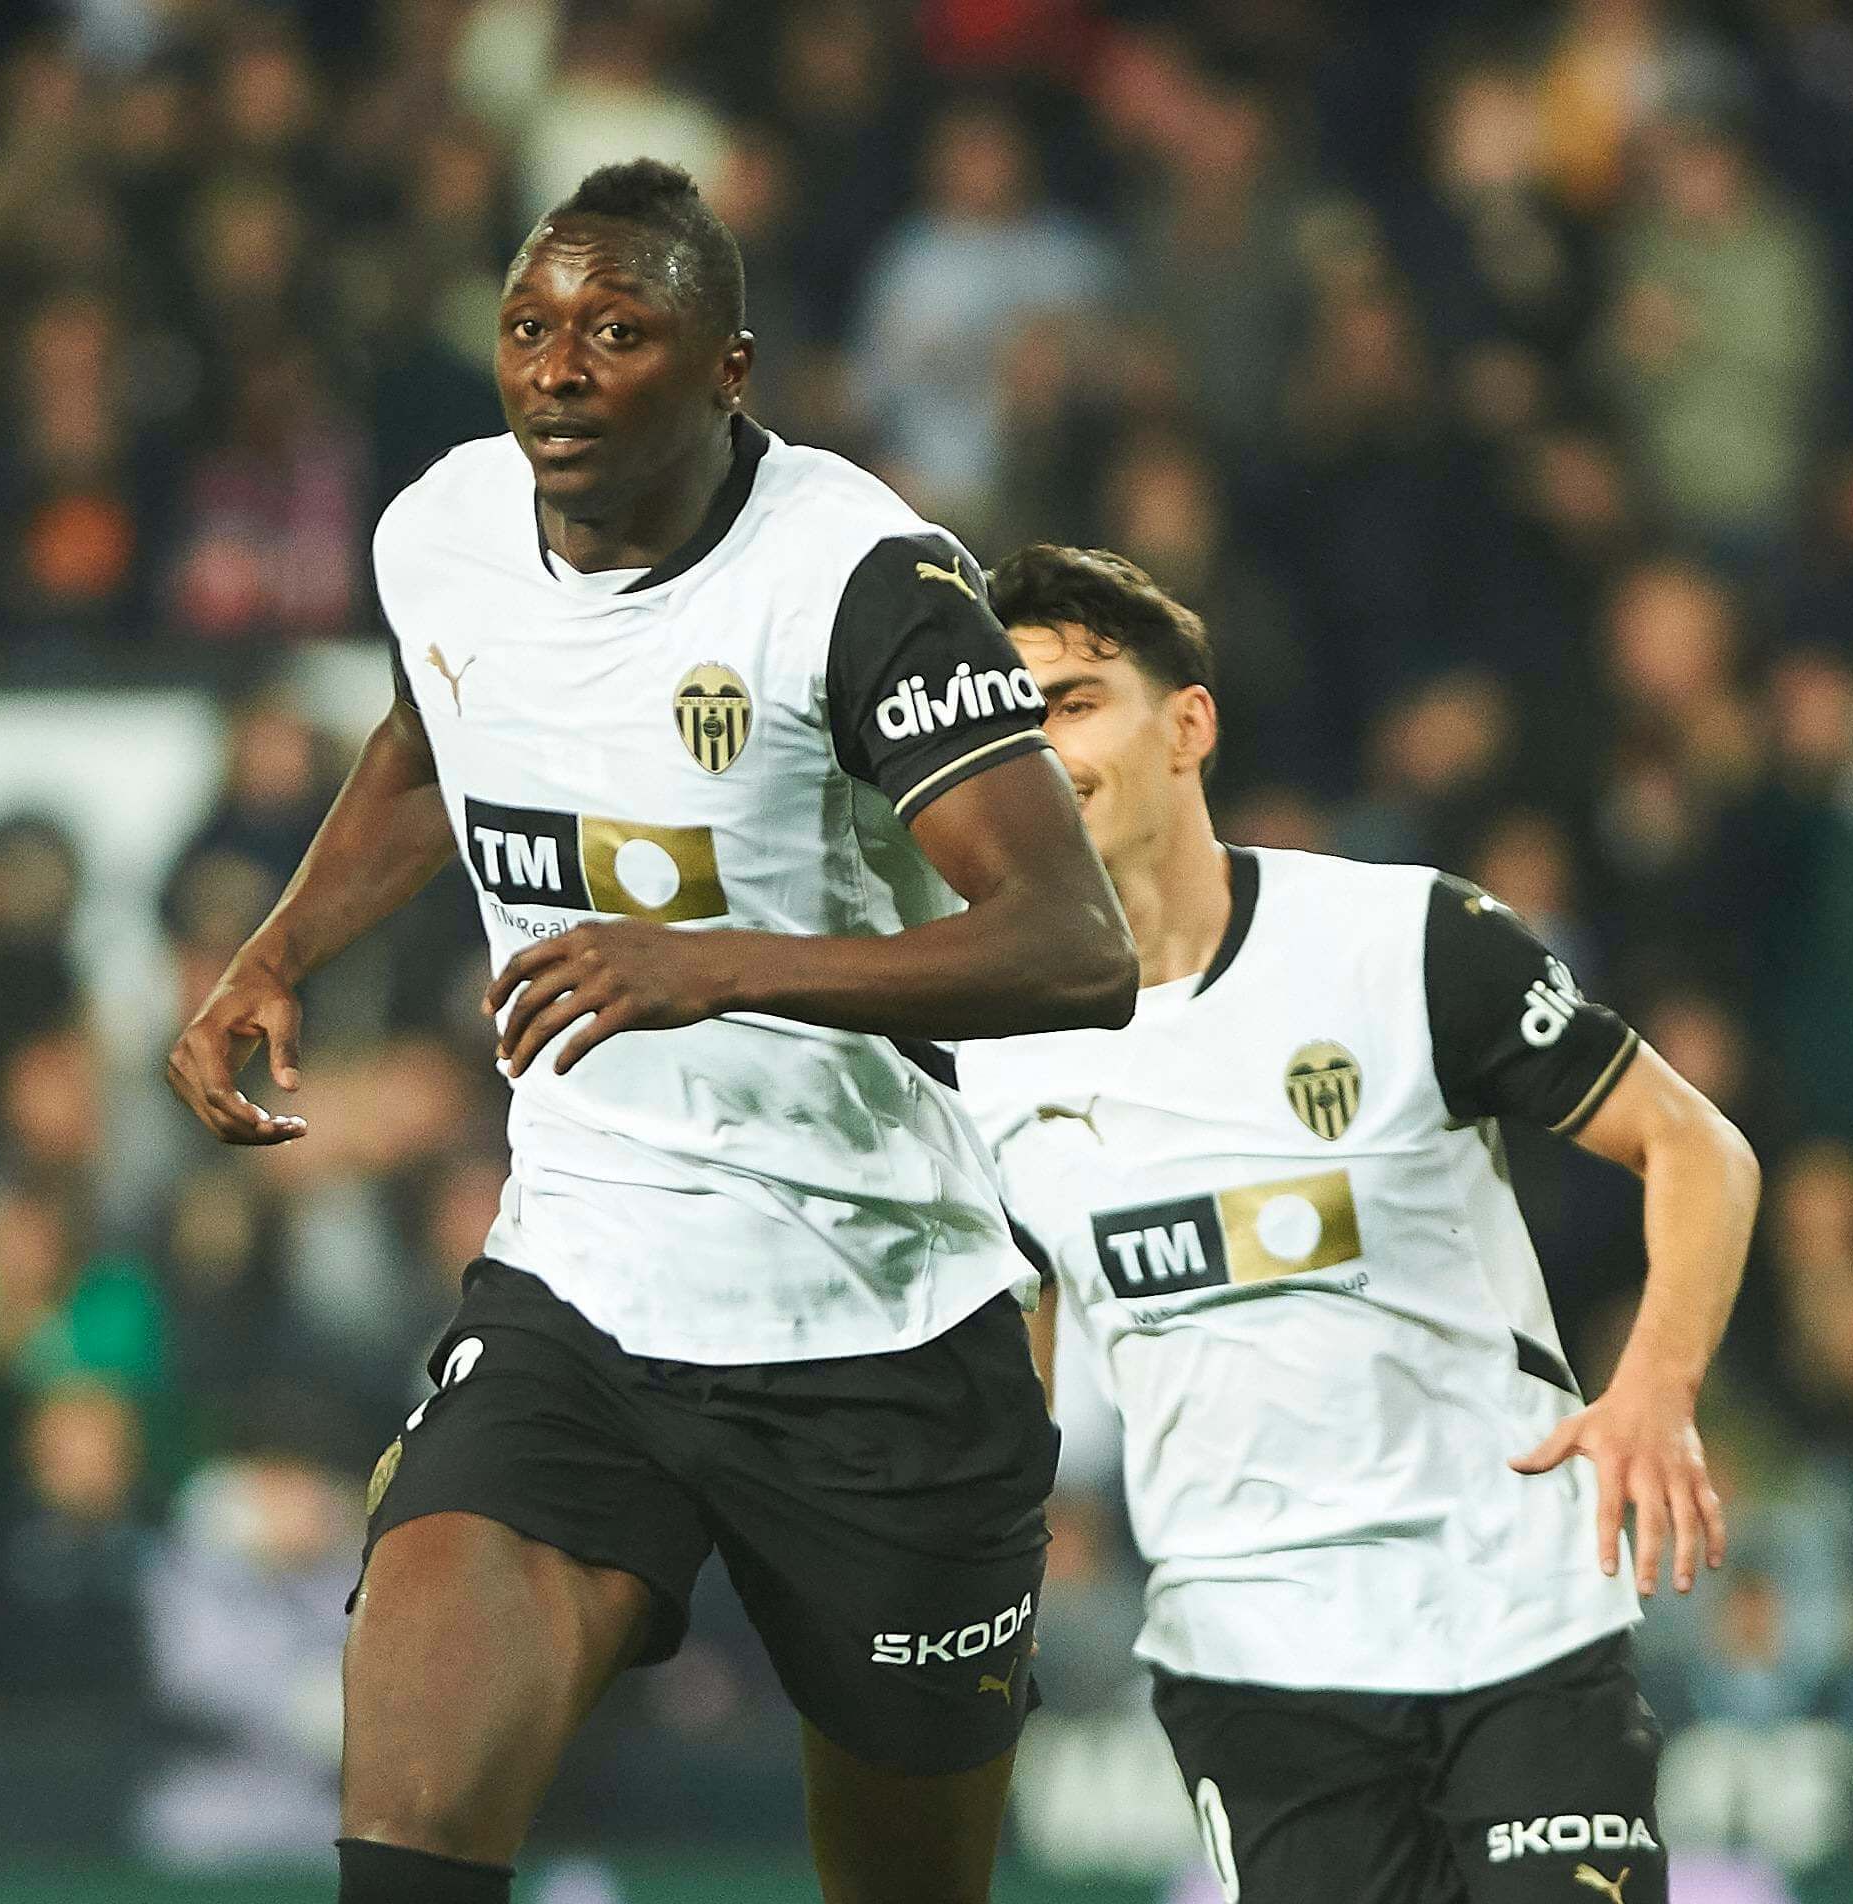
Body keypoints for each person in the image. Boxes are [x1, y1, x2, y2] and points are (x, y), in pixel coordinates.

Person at [164, 160, 1137, 1904]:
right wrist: (280, 947)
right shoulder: (440, 531)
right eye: (532, 328)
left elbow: (1074, 948)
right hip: (583, 1300)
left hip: (880, 1332)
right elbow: (430, 731)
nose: (559, 368)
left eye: (618, 332)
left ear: (729, 369)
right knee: (404, 1842)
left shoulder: (863, 580)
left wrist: (720, 963)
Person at [957, 545, 1762, 1904]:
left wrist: (1655, 1392)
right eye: (1014, 720)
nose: (1046, 746)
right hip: (1257, 1671)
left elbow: (1697, 1146)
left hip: (1516, 1617)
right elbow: (1010, 1358)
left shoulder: (1404, 945)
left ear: (1189, 724)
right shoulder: (984, 1056)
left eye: (1078, 701)